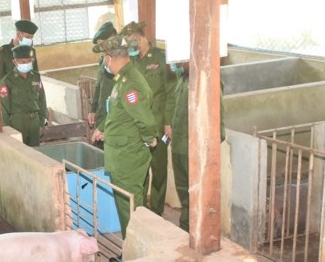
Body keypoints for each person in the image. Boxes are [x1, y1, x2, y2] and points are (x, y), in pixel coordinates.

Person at [90, 36, 158, 237]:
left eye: (104, 57)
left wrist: (149, 138)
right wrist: (103, 128)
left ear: (109, 58)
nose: (104, 62)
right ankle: (132, 244)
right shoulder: (123, 79)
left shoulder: (130, 84)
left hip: (127, 156)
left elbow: (145, 120)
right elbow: (120, 113)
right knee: (127, 204)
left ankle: (133, 247)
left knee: (130, 206)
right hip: (122, 153)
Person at [165, 61, 226, 232]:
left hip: (195, 149)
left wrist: (207, 147)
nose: (175, 63)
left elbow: (218, 118)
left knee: (198, 194)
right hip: (179, 146)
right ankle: (186, 228)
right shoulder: (182, 78)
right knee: (184, 193)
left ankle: (198, 231)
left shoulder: (208, 79)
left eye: (179, 60)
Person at [121, 21, 171, 217]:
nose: (129, 46)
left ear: (140, 37)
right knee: (140, 168)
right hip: (138, 125)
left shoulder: (160, 58)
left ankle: (157, 210)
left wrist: (168, 122)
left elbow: (169, 91)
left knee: (159, 169)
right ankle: (141, 209)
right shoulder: (132, 61)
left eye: (131, 41)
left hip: (158, 123)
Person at [0, 44, 47, 146]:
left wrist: (41, 122)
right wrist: (7, 129)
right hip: (17, 122)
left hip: (34, 122)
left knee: (35, 151)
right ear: (15, 62)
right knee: (18, 150)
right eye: (23, 62)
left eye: (29, 61)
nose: (26, 64)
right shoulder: (7, 81)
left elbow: (42, 100)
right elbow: (4, 107)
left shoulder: (36, 77)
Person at [88, 21, 118, 129]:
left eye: (103, 44)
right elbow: (99, 86)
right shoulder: (103, 61)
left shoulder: (120, 61)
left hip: (115, 118)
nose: (102, 49)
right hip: (102, 115)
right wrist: (93, 110)